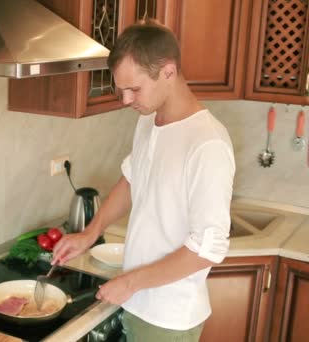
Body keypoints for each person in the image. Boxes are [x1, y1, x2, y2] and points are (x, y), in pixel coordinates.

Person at [52, 20, 235, 342]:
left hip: (168, 317)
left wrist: (131, 282)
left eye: (134, 89)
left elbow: (207, 249)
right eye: (120, 89)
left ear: (168, 71)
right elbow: (133, 179)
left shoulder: (207, 145)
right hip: (139, 303)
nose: (125, 100)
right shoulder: (151, 120)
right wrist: (90, 233)